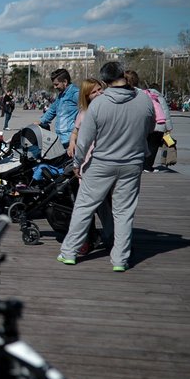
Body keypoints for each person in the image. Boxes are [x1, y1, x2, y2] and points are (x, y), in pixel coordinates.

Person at [57, 62, 154, 272]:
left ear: (104, 81)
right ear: (122, 75)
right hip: (132, 162)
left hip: (101, 163)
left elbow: (84, 139)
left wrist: (77, 162)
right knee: (124, 212)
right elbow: (150, 126)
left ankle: (69, 252)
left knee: (84, 207)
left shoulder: (99, 104)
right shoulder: (144, 99)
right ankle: (120, 259)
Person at [67, 78, 113, 255]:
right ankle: (88, 239)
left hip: (103, 162)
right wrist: (72, 142)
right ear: (86, 96)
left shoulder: (109, 110)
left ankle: (111, 238)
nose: (99, 93)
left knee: (104, 204)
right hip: (86, 162)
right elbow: (76, 132)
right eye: (94, 92)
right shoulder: (84, 113)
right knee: (87, 206)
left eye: (100, 89)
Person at [123, 73, 174, 172]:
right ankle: (148, 167)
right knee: (153, 147)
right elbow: (165, 111)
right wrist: (169, 127)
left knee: (144, 145)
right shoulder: (157, 96)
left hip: (146, 124)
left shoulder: (142, 94)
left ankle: (142, 165)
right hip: (159, 125)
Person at [36, 68, 80, 149]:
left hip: (71, 140)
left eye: (56, 84)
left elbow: (85, 112)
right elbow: (52, 110)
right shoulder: (60, 95)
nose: (55, 87)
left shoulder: (75, 93)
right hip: (60, 139)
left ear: (65, 82)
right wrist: (40, 121)